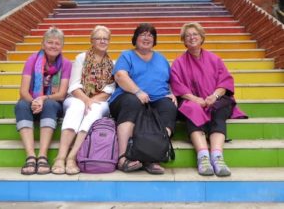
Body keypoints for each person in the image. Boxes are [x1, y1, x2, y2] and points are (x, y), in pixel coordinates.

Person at [170, 22, 247, 177]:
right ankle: (203, 156)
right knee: (192, 109)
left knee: (218, 110)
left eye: (195, 34)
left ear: (202, 37)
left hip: (215, 99)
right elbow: (177, 85)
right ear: (184, 41)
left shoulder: (214, 59)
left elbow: (224, 82)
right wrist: (195, 99)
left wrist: (214, 96)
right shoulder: (178, 63)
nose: (191, 38)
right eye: (188, 35)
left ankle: (217, 157)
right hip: (193, 100)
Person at [109, 23, 178, 175]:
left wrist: (172, 92)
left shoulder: (161, 59)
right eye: (142, 34)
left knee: (169, 106)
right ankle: (123, 158)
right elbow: (120, 76)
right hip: (127, 98)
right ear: (135, 38)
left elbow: (169, 80)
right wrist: (137, 91)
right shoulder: (127, 55)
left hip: (156, 100)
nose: (147, 38)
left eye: (150, 35)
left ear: (154, 40)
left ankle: (153, 156)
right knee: (132, 101)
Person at [51, 25, 115, 175]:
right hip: (76, 96)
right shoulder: (81, 58)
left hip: (100, 101)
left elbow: (109, 90)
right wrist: (86, 99)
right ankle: (60, 157)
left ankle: (72, 157)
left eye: (105, 39)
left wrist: (91, 101)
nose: (102, 41)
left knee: (93, 110)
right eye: (98, 38)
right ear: (92, 41)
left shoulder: (112, 63)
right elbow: (73, 85)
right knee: (77, 107)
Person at [15, 27, 72, 175]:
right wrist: (34, 101)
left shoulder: (66, 64)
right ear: (43, 44)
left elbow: (61, 94)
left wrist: (43, 98)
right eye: (50, 42)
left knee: (50, 104)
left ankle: (42, 156)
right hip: (33, 103)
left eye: (57, 43)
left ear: (62, 46)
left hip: (52, 105)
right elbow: (23, 91)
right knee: (21, 105)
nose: (53, 46)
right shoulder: (32, 60)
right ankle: (30, 156)